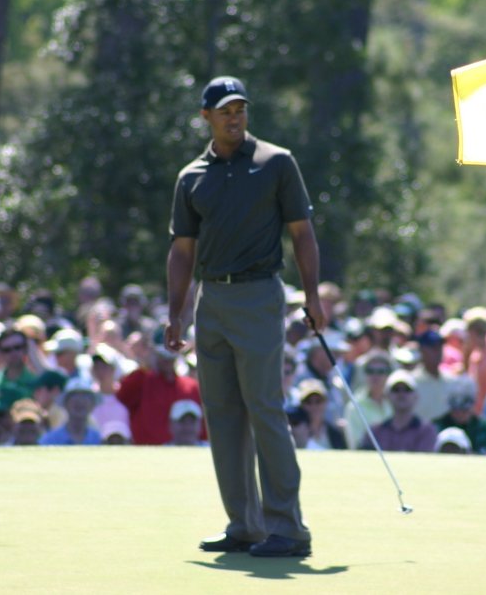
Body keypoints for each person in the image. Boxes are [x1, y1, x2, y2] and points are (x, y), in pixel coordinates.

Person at [165, 75, 320, 557]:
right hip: (211, 300)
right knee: (223, 414)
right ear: (206, 117)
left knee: (264, 409)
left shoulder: (276, 162)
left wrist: (313, 297)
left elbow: (302, 233)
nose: (234, 118)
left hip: (259, 295)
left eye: (240, 110)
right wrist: (176, 313)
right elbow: (182, 250)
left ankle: (288, 528)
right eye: (225, 112)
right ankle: (245, 524)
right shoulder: (191, 176)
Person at [118, 338, 202, 446]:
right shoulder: (143, 380)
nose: (166, 361)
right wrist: (145, 366)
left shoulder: (190, 386)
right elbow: (123, 396)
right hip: (148, 449)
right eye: (162, 356)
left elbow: (201, 422)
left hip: (184, 449)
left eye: (170, 357)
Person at [362, 369, 437, 452]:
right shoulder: (375, 432)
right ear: (387, 396)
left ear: (416, 396)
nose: (401, 394)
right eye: (396, 389)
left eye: (407, 389)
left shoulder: (426, 431)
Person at [409, 330, 467, 423]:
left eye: (439, 347)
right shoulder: (411, 383)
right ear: (422, 351)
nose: (437, 351)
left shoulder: (451, 380)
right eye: (432, 347)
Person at [343, 349, 396, 448]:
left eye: (381, 371)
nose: (375, 376)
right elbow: (356, 444)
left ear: (389, 374)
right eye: (370, 371)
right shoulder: (354, 406)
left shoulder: (396, 402)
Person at [432, 389, 486, 454]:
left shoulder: (485, 428)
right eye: (456, 410)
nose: (460, 414)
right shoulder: (436, 426)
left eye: (464, 410)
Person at [39, 378, 102, 446]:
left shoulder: (98, 440)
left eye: (85, 397)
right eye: (74, 397)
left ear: (92, 404)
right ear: (65, 403)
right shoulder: (50, 441)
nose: (80, 401)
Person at [294, 378, 347, 450]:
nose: (314, 406)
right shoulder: (294, 432)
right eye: (308, 402)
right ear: (301, 404)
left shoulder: (335, 434)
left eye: (318, 401)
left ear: (326, 402)